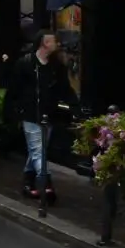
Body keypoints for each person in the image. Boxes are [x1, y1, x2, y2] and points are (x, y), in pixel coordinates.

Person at [9, 30, 76, 201]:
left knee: (38, 150)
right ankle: (46, 183)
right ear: (45, 43)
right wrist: (15, 111)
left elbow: (65, 88)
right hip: (30, 113)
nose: (57, 44)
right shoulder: (25, 64)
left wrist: (76, 107)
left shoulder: (56, 66)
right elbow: (14, 89)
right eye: (54, 41)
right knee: (38, 151)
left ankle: (28, 181)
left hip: (49, 114)